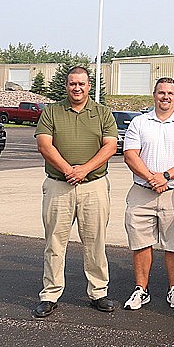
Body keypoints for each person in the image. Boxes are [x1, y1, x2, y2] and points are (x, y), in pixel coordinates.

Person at [32, 66, 118, 318]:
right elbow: (44, 145)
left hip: (94, 186)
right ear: (66, 86)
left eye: (81, 84)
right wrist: (69, 170)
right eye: (72, 84)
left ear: (89, 86)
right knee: (55, 243)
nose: (77, 88)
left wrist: (84, 170)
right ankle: (50, 293)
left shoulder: (102, 113)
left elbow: (110, 146)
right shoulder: (52, 112)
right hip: (59, 185)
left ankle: (98, 291)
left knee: (95, 241)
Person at [121, 77, 174, 311]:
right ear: (154, 95)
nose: (165, 97)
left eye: (170, 93)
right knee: (140, 242)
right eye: (161, 92)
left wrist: (164, 177)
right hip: (141, 192)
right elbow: (130, 155)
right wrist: (151, 178)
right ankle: (141, 290)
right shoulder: (139, 123)